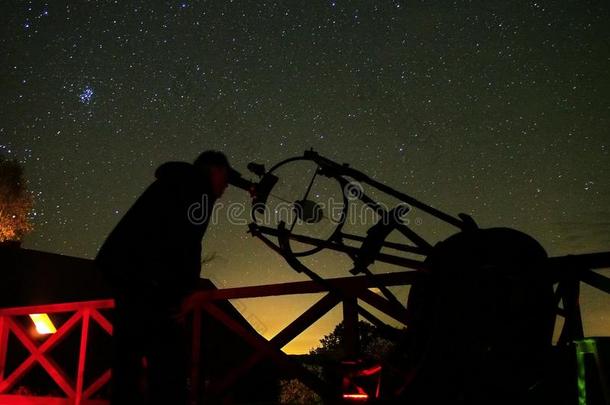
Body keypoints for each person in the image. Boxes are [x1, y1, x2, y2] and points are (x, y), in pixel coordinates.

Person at [95, 150, 231, 404]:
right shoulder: (200, 190)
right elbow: (187, 242)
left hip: (124, 273)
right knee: (168, 369)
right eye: (225, 179)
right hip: (150, 281)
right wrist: (186, 294)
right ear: (215, 171)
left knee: (127, 362)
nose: (225, 188)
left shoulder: (172, 182)